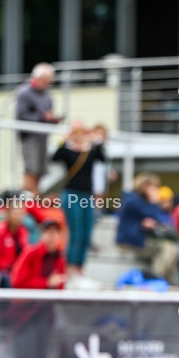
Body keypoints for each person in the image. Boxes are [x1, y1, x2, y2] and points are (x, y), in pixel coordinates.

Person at [10, 220, 66, 358]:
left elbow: (59, 288)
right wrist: (45, 283)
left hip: (45, 318)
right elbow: (18, 281)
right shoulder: (31, 253)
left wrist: (54, 285)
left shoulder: (59, 258)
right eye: (48, 232)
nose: (52, 237)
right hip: (25, 318)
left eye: (55, 233)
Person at [52, 123, 105, 288]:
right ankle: (71, 269)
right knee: (75, 232)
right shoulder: (68, 151)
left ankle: (80, 269)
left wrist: (94, 140)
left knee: (86, 233)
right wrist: (65, 139)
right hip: (71, 194)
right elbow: (55, 157)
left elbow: (102, 157)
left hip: (86, 195)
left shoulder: (90, 151)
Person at [116, 173, 179, 281]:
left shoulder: (146, 202)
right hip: (131, 241)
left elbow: (158, 219)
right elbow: (150, 214)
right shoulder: (132, 200)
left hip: (142, 240)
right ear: (145, 186)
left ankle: (165, 280)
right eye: (154, 187)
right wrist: (154, 202)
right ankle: (155, 278)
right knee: (167, 248)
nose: (156, 190)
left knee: (174, 248)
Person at [15, 63, 62, 195]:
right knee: (31, 170)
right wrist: (42, 117)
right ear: (38, 78)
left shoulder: (47, 95)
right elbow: (21, 116)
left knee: (40, 172)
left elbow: (47, 116)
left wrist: (53, 120)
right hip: (29, 138)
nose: (48, 84)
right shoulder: (24, 92)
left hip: (43, 138)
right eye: (46, 81)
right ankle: (25, 201)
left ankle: (34, 201)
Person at [0, 192, 30, 283]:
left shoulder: (23, 231)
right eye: (16, 212)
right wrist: (8, 266)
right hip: (2, 270)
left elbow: (25, 252)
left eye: (21, 213)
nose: (19, 216)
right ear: (9, 212)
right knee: (9, 279)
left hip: (17, 269)